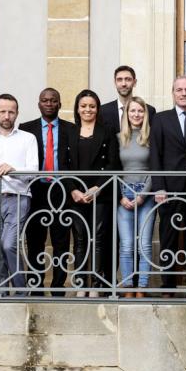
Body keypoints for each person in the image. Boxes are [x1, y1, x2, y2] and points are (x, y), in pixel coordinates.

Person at [0, 94, 38, 292]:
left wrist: (13, 169)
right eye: (2, 111)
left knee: (9, 244)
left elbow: (34, 171)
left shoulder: (28, 138)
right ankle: (0, 292)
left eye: (11, 111)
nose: (7, 115)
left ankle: (20, 291)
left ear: (17, 114)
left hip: (18, 198)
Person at [19, 88, 78, 295]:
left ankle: (58, 287)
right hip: (36, 190)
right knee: (35, 241)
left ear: (60, 104)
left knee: (61, 241)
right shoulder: (26, 129)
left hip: (61, 190)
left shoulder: (72, 129)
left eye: (54, 100)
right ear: (39, 104)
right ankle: (35, 287)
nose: (49, 104)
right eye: (45, 100)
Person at [150, 76, 186, 297]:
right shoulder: (161, 119)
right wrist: (159, 187)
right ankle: (168, 286)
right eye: (179, 90)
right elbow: (155, 154)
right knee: (168, 237)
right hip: (169, 190)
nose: (183, 93)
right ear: (173, 93)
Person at [69, 89, 121, 296]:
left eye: (91, 106)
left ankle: (98, 284)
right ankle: (81, 283)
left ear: (97, 109)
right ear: (77, 108)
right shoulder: (70, 132)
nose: (87, 109)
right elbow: (64, 166)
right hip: (76, 195)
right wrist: (73, 189)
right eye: (83, 106)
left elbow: (113, 163)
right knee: (80, 238)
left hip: (101, 193)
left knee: (99, 239)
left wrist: (97, 188)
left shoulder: (107, 131)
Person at [117, 97, 155, 298]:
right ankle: (127, 287)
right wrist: (122, 196)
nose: (136, 114)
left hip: (145, 195)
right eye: (132, 111)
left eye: (140, 111)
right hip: (124, 195)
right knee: (127, 244)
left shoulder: (151, 138)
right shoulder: (119, 138)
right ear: (126, 113)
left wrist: (143, 195)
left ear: (145, 114)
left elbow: (154, 170)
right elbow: (115, 170)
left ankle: (141, 287)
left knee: (145, 244)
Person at [101, 65, 156, 134]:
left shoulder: (149, 110)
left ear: (134, 82)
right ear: (115, 83)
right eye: (119, 80)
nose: (123, 84)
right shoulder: (103, 111)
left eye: (128, 79)